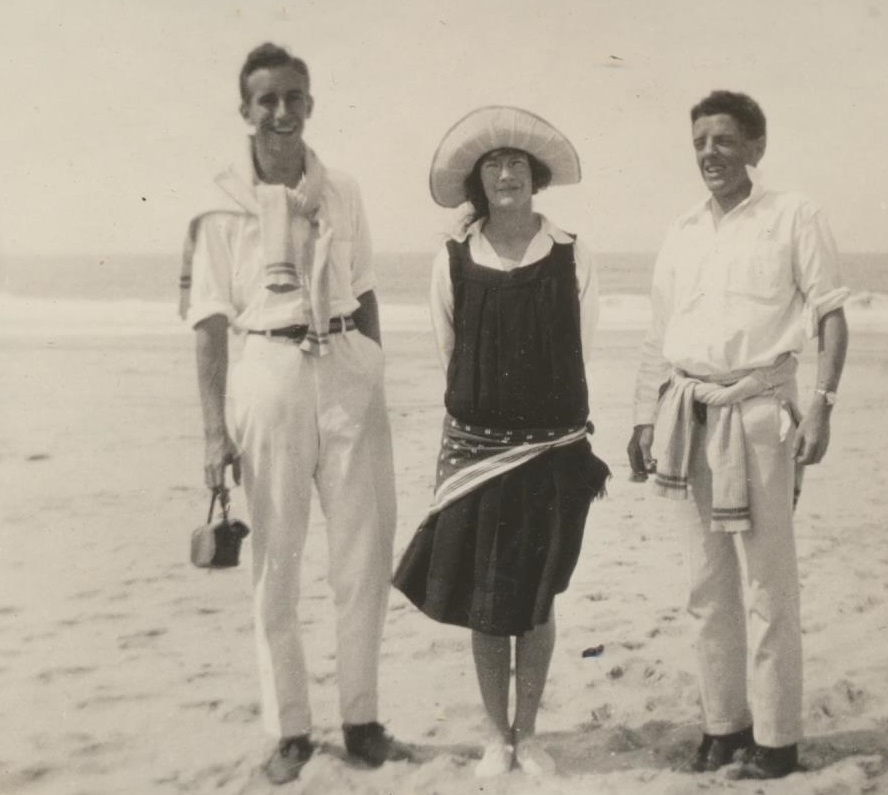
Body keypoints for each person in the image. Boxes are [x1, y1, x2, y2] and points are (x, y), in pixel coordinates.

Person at [181, 43, 403, 785]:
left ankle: (362, 719)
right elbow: (209, 321)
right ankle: (291, 729)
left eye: (294, 97)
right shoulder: (219, 203)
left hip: (344, 367)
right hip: (267, 370)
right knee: (276, 560)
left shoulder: (341, 190)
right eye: (267, 100)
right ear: (245, 110)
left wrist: (370, 370)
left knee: (363, 554)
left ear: (310, 103)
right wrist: (213, 432)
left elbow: (364, 289)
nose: (282, 112)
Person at [627, 90, 849, 780]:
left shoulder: (793, 215)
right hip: (687, 411)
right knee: (705, 584)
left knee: (768, 585)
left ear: (756, 147)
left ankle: (777, 741)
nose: (709, 154)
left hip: (759, 414)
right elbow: (659, 334)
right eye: (699, 142)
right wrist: (642, 417)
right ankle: (723, 727)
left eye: (723, 140)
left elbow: (830, 317)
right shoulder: (682, 230)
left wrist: (822, 406)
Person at [392, 106, 610, 779]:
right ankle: (495, 733)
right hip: (477, 455)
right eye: (493, 164)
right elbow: (450, 351)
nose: (506, 174)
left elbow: (581, 346)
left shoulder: (572, 254)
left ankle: (530, 733)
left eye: (517, 162)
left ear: (535, 175)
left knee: (536, 600)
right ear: (477, 180)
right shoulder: (452, 260)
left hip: (552, 453)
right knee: (486, 603)